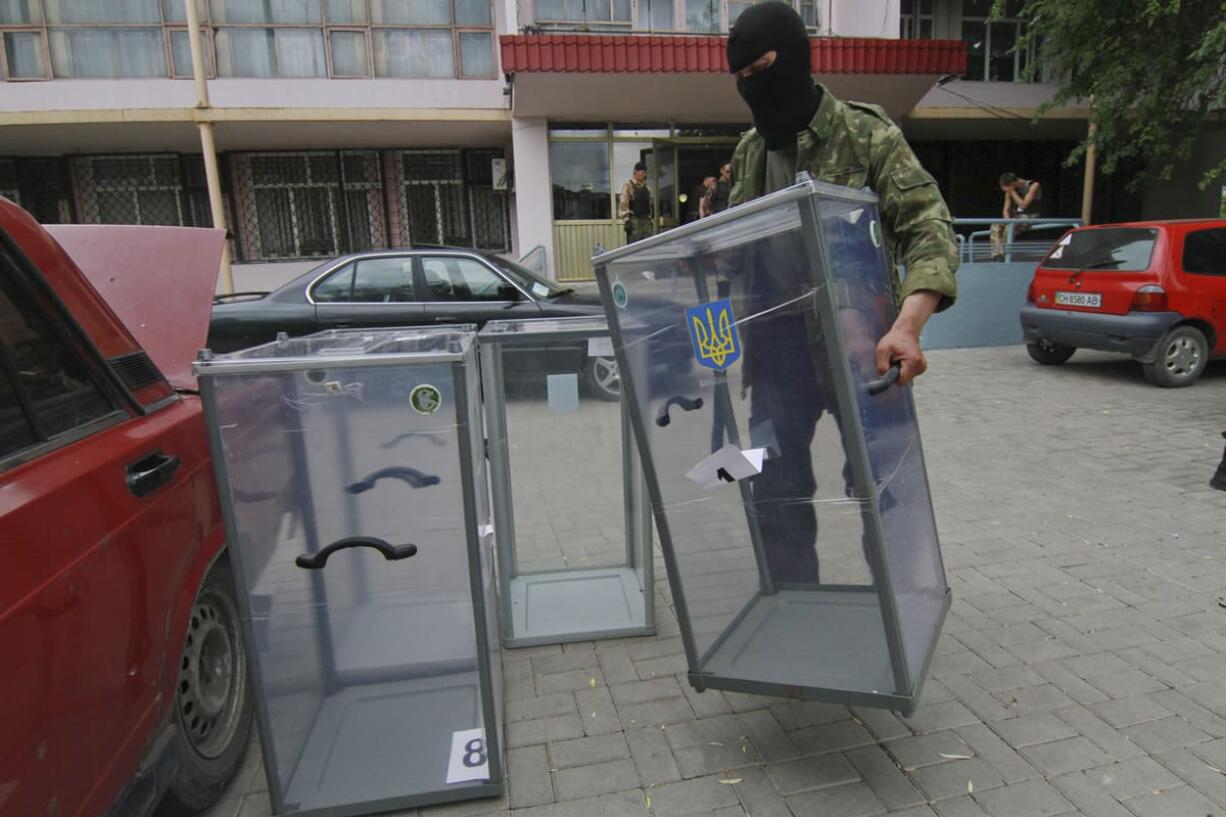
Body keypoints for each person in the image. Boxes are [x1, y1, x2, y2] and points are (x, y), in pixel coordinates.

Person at [724, 1, 959, 584]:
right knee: (772, 488)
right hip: (777, 352)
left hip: (862, 351)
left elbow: (929, 229)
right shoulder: (749, 154)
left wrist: (909, 325)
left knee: (884, 488)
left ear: (798, 59)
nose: (754, 88)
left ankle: (899, 614)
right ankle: (796, 609)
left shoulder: (867, 135)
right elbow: (734, 256)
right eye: (742, 78)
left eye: (765, 69)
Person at [990, 171, 1041, 260]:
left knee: (1009, 228)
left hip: (1030, 216)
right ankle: (997, 254)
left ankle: (1006, 254)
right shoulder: (1010, 190)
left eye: (1008, 189)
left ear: (1012, 184)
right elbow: (1005, 210)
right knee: (995, 225)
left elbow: (1023, 205)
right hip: (1014, 218)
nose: (1007, 191)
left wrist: (1013, 192)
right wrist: (1007, 221)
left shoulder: (1033, 186)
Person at [619, 161, 653, 243]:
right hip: (634, 221)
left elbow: (649, 204)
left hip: (646, 221)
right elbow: (623, 203)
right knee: (635, 247)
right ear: (635, 172)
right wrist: (626, 220)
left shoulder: (647, 187)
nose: (644, 175)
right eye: (642, 172)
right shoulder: (628, 185)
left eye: (645, 173)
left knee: (648, 245)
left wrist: (650, 219)